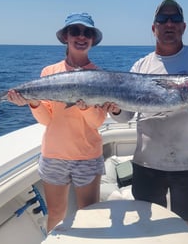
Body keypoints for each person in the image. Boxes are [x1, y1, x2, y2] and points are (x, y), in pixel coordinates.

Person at [110, 0, 188, 244]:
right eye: (163, 20)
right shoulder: (141, 65)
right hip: (147, 163)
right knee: (147, 227)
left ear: (184, 26)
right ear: (153, 28)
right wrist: (114, 109)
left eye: (175, 19)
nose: (169, 24)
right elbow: (125, 115)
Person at [7, 12, 116, 232]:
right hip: (54, 155)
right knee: (56, 214)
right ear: (66, 36)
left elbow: (96, 122)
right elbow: (48, 121)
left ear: (93, 39)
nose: (81, 36)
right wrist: (34, 103)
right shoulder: (49, 73)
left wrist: (84, 107)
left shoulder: (101, 76)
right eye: (75, 31)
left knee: (90, 216)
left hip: (87, 155)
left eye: (87, 32)